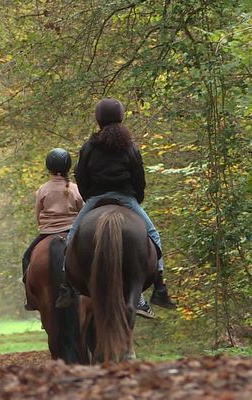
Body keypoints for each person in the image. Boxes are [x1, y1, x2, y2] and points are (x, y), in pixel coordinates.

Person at [59, 98, 176, 318]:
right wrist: (136, 198)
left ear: (98, 119)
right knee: (153, 235)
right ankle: (159, 288)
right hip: (126, 199)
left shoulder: (89, 146)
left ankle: (66, 285)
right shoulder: (130, 146)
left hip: (96, 199)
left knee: (73, 235)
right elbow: (138, 177)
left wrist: (89, 197)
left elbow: (81, 175)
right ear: (121, 117)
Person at [21, 148, 84, 310]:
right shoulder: (75, 188)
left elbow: (38, 214)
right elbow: (82, 212)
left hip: (46, 232)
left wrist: (45, 226)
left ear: (48, 167)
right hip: (72, 232)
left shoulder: (43, 189)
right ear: (68, 167)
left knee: (26, 258)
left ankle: (30, 300)